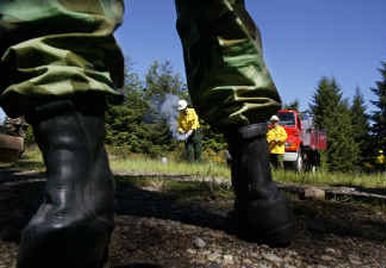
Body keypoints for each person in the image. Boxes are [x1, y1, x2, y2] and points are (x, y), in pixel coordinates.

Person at [0, 1, 294, 267]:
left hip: (194, 135)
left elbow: (189, 124)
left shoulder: (187, 113)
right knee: (219, 9)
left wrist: (187, 131)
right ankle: (262, 198)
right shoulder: (183, 112)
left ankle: (78, 196)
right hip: (217, 132)